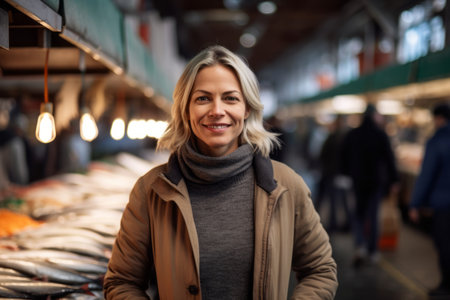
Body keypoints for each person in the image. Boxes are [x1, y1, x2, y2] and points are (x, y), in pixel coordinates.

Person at [103, 45, 337, 299]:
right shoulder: (150, 191)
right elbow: (121, 281)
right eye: (203, 98)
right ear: (185, 109)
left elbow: (320, 270)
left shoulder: (287, 186)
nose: (217, 111)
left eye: (230, 98)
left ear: (247, 108)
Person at [341, 104, 398, 266]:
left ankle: (360, 246)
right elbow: (389, 159)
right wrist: (394, 180)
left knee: (358, 214)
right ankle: (373, 250)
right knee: (373, 216)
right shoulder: (381, 134)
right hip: (375, 182)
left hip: (357, 181)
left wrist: (344, 174)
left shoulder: (353, 134)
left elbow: (343, 155)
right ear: (374, 116)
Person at [409, 103, 450, 298]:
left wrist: (415, 204)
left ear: (439, 118)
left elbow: (426, 175)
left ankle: (446, 286)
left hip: (443, 204)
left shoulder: (437, 141)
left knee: (444, 245)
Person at [316, 114, 351, 233]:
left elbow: (322, 154)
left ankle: (334, 223)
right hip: (341, 173)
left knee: (333, 200)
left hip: (330, 173)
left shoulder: (331, 137)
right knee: (343, 199)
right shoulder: (346, 138)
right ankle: (346, 223)